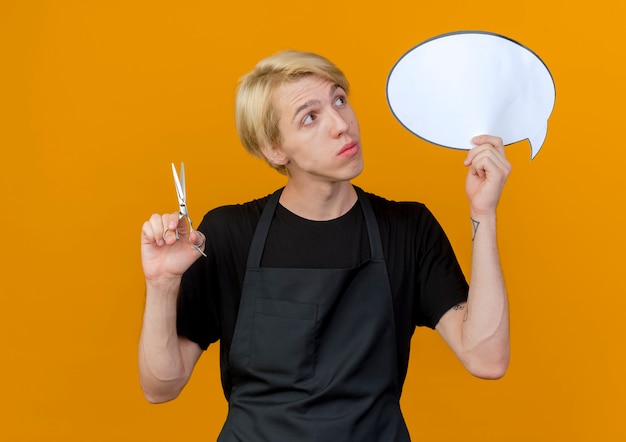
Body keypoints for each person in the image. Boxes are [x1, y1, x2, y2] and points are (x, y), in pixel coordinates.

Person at [139, 50, 511, 441]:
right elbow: (160, 387)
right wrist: (162, 285)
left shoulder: (407, 229)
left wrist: (484, 214)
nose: (341, 124)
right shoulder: (231, 234)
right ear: (274, 149)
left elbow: (486, 357)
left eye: (339, 100)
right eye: (310, 117)